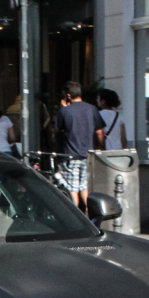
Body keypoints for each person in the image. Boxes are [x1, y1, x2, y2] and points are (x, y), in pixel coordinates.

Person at [52, 81, 105, 210]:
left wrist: (62, 108)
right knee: (83, 186)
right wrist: (101, 148)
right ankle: (89, 214)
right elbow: (99, 132)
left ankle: (75, 216)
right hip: (86, 155)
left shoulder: (65, 111)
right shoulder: (92, 109)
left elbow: (55, 129)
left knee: (71, 188)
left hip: (70, 155)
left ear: (68, 96)